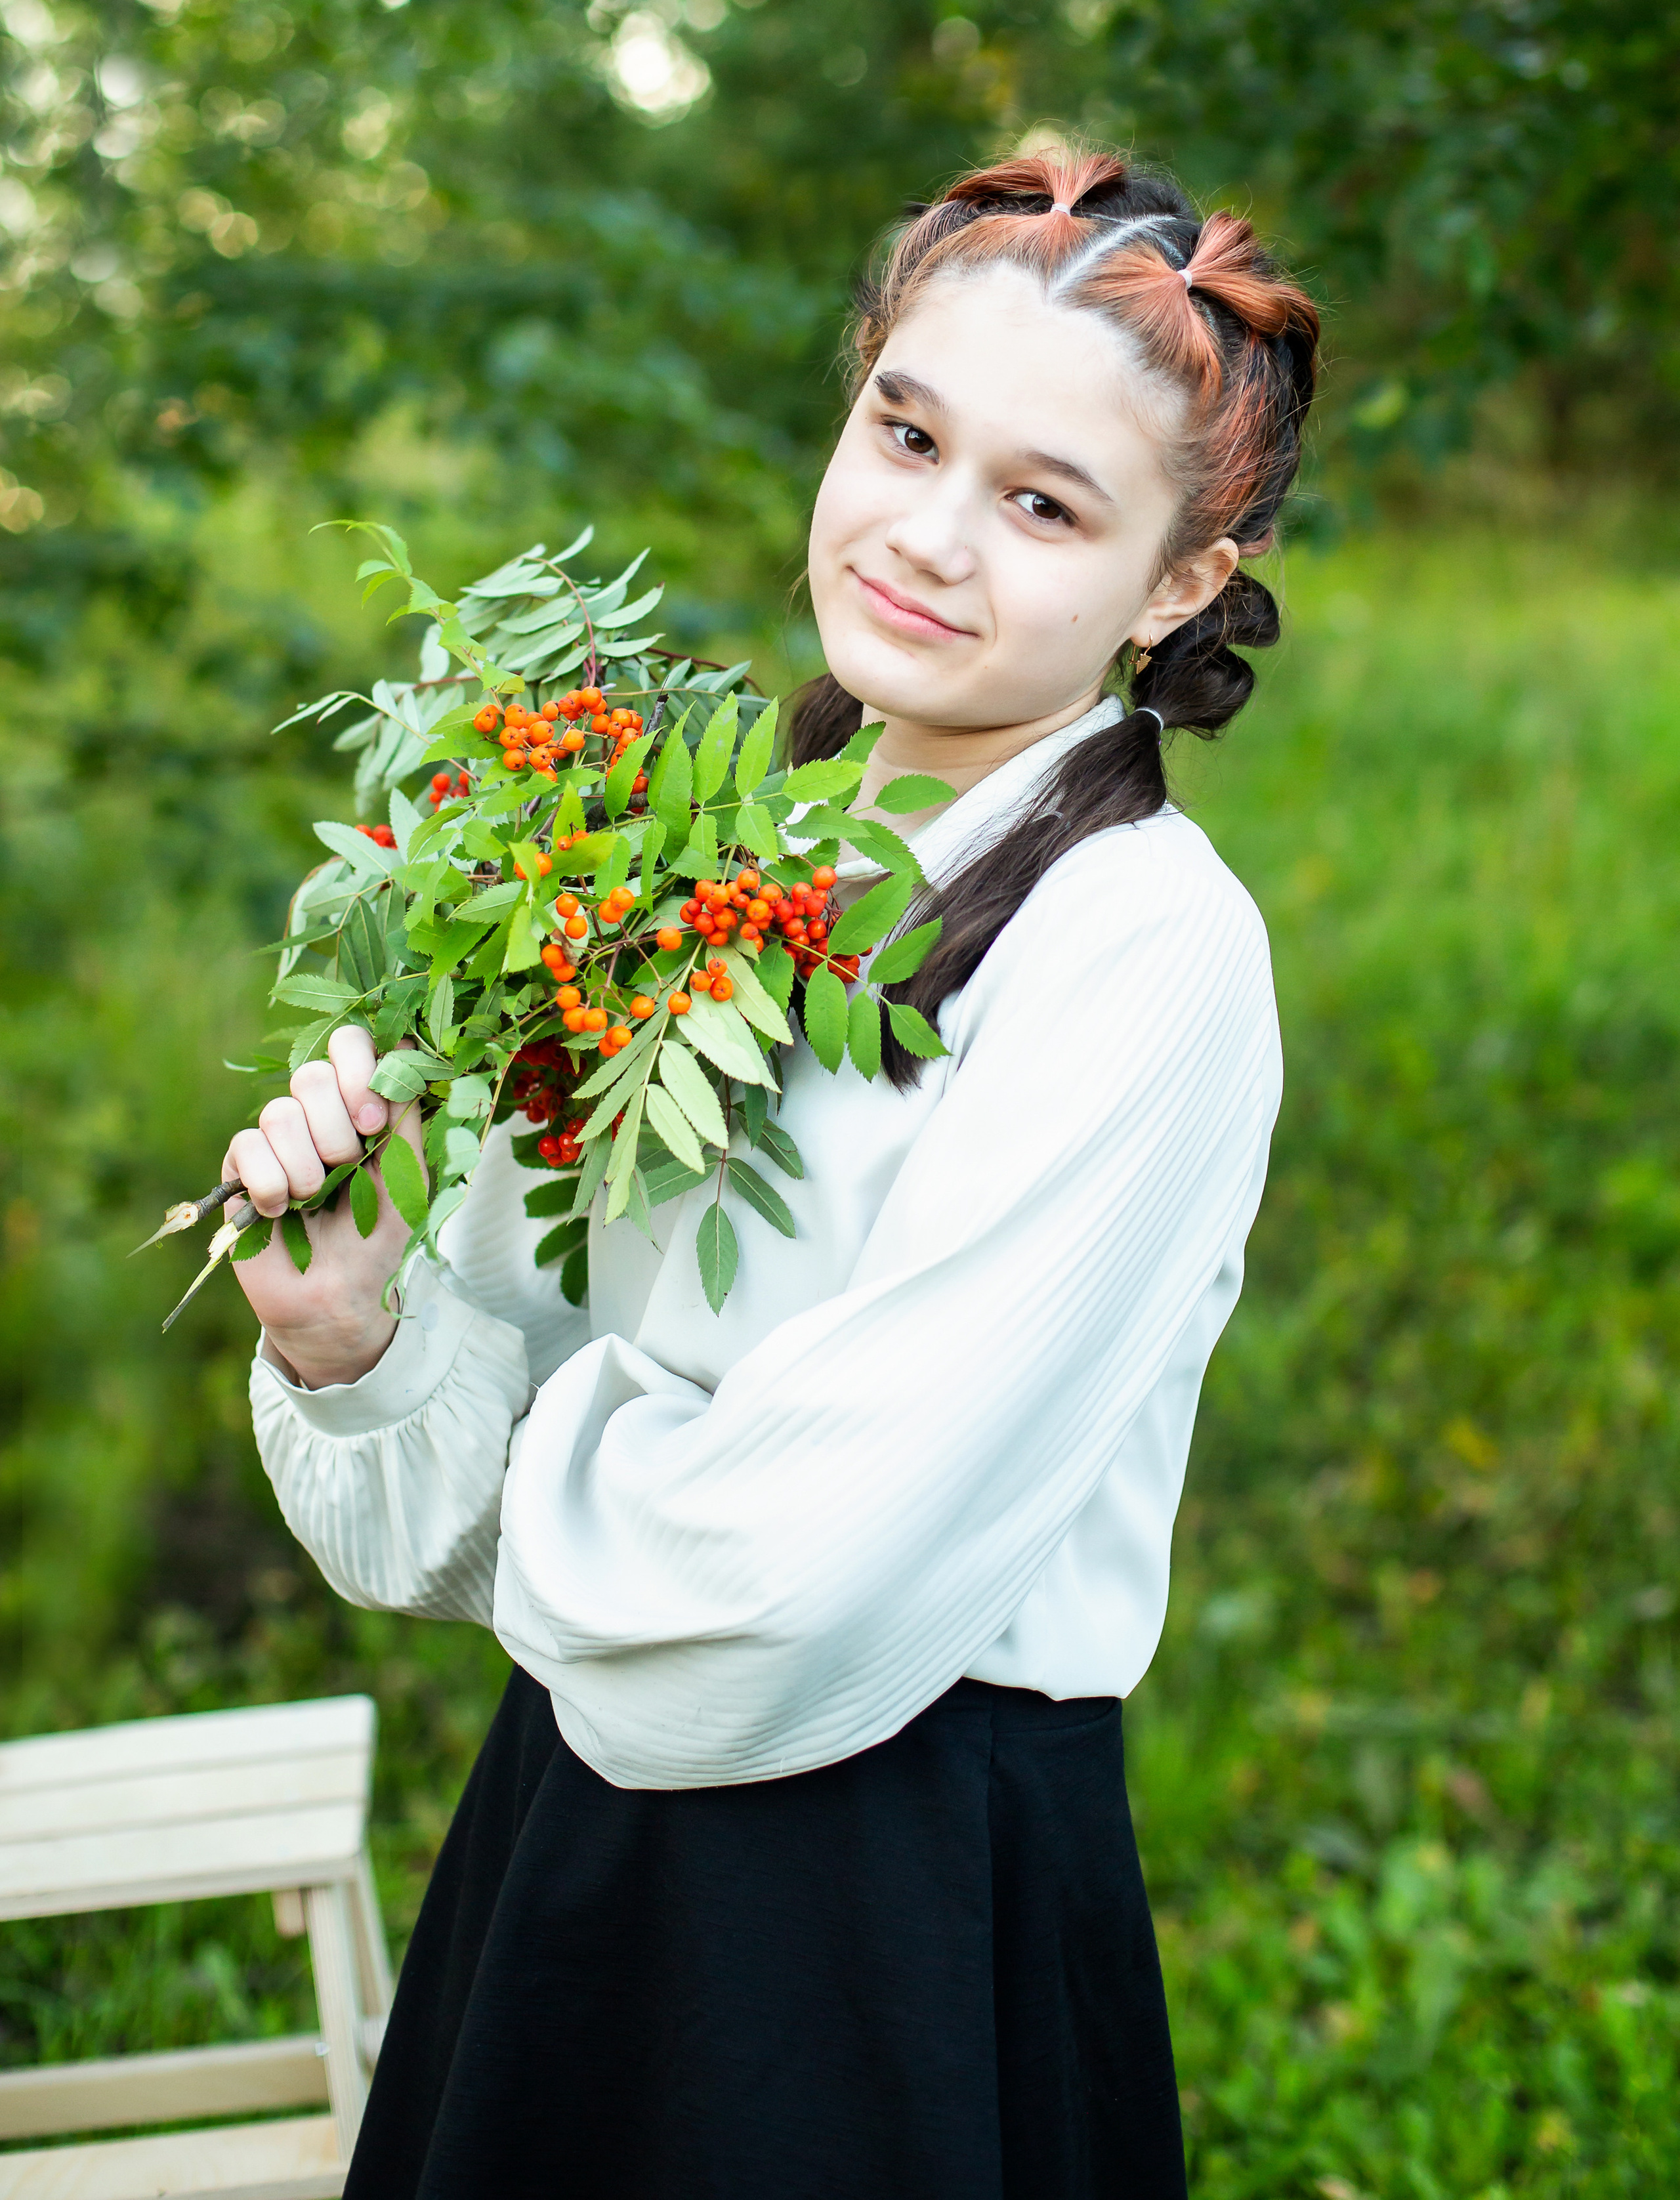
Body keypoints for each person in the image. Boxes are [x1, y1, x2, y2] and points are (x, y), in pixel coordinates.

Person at [226, 144, 1320, 2200]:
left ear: (1182, 579)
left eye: (1043, 501)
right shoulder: (711, 856)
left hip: (888, 1903)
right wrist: (363, 1337)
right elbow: (506, 1477)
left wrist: (570, 1447)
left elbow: (799, 1584)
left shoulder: (1144, 947)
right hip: (573, 1832)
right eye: (904, 431)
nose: (925, 534)